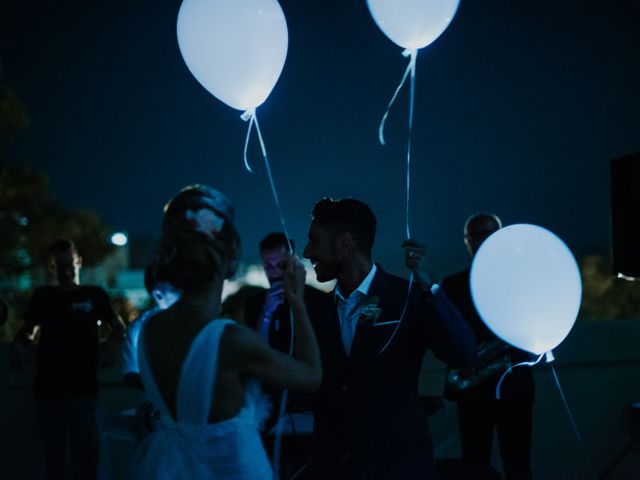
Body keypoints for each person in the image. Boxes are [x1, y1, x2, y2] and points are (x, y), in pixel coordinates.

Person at [128, 185, 322, 479]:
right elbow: (311, 376)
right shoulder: (227, 339)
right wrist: (297, 303)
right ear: (230, 260)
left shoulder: (150, 328)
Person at [301, 197, 477, 480]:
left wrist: (429, 287)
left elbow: (464, 354)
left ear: (344, 243)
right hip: (335, 469)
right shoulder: (314, 309)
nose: (307, 251)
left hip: (399, 466)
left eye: (315, 241)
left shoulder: (405, 297)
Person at [10, 239, 124, 480]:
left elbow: (118, 327)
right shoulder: (43, 296)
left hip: (83, 391)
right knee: (55, 462)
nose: (65, 271)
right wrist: (20, 344)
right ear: (53, 268)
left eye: (69, 265)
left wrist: (113, 343)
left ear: (79, 262)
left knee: (85, 461)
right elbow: (28, 329)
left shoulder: (95, 295)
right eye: (59, 266)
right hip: (48, 392)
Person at [440, 213, 535, 480]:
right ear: (467, 242)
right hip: (473, 389)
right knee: (474, 467)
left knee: (518, 465)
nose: (482, 241)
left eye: (489, 234)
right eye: (476, 235)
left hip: (514, 385)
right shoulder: (453, 285)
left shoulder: (523, 282)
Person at [122, 261, 181, 390]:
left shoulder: (193, 319)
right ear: (158, 295)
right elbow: (130, 374)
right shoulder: (139, 327)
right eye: (175, 288)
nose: (182, 292)